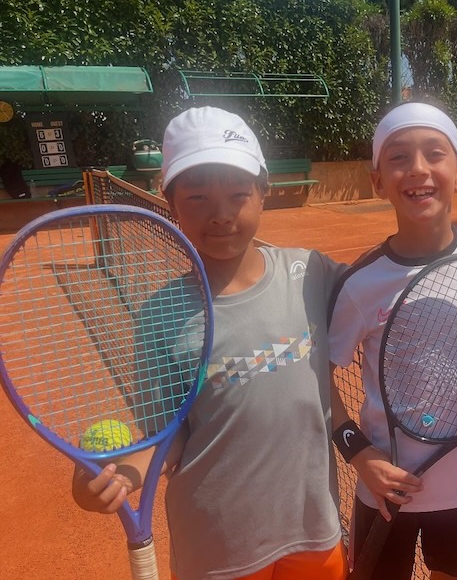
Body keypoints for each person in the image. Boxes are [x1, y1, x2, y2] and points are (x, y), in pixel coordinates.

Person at [72, 106, 350, 580]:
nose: (220, 214)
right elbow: (168, 436)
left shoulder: (311, 273)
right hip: (219, 547)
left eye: (238, 194)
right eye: (197, 197)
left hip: (314, 530)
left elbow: (390, 285)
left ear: (263, 192)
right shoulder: (160, 315)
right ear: (170, 202)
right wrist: (118, 478)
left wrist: (448, 235)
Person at [327, 102, 457, 580]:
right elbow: (315, 379)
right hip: (382, 489)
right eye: (398, 157)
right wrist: (358, 453)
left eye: (435, 153)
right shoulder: (360, 285)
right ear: (377, 182)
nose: (417, 168)